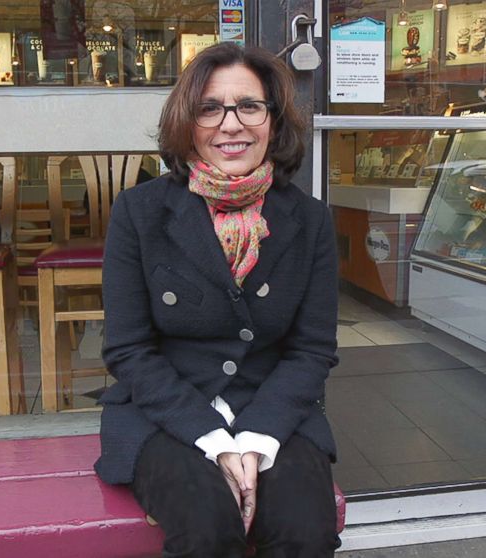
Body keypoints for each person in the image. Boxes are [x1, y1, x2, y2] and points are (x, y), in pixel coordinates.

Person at [95, 42, 341, 558]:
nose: (231, 124)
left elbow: (312, 350)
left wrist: (258, 436)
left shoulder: (310, 219)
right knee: (206, 529)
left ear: (273, 121)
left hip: (273, 407)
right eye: (210, 108)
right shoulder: (140, 213)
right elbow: (128, 349)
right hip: (167, 412)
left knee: (306, 532)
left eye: (248, 106)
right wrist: (211, 437)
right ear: (187, 121)